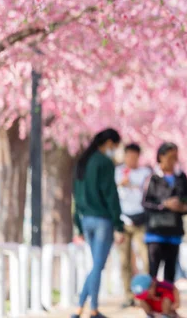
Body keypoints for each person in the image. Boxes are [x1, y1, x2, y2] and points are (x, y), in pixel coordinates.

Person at [72, 128, 126, 318]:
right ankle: (90, 308)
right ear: (110, 143)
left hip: (86, 219)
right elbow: (111, 195)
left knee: (96, 265)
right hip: (103, 220)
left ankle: (82, 308)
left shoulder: (82, 161)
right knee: (97, 266)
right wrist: (119, 224)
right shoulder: (104, 162)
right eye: (116, 146)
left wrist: (77, 223)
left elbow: (76, 196)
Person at [142, 142, 187, 284]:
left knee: (170, 272)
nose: (173, 160)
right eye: (170, 157)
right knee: (152, 270)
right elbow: (145, 203)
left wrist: (182, 207)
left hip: (174, 230)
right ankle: (151, 302)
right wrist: (164, 205)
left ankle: (167, 302)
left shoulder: (181, 178)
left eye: (175, 157)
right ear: (161, 157)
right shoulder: (152, 178)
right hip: (155, 231)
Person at [115, 143, 152, 308]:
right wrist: (121, 184)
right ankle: (128, 295)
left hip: (141, 221)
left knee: (146, 258)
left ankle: (147, 293)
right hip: (123, 221)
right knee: (124, 261)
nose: (131, 159)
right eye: (128, 155)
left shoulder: (145, 173)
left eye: (134, 156)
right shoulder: (117, 172)